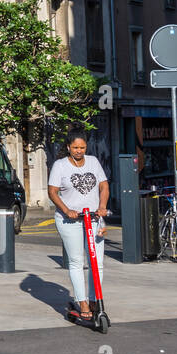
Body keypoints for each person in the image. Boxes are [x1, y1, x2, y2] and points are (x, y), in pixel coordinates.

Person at [47, 132, 109, 322]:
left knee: (96, 263)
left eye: (82, 148)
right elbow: (52, 192)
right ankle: (82, 302)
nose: (79, 151)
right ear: (68, 147)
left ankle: (94, 300)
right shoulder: (60, 165)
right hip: (70, 220)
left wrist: (102, 207)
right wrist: (67, 210)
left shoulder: (93, 162)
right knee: (76, 261)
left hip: (93, 217)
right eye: (75, 148)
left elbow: (104, 186)